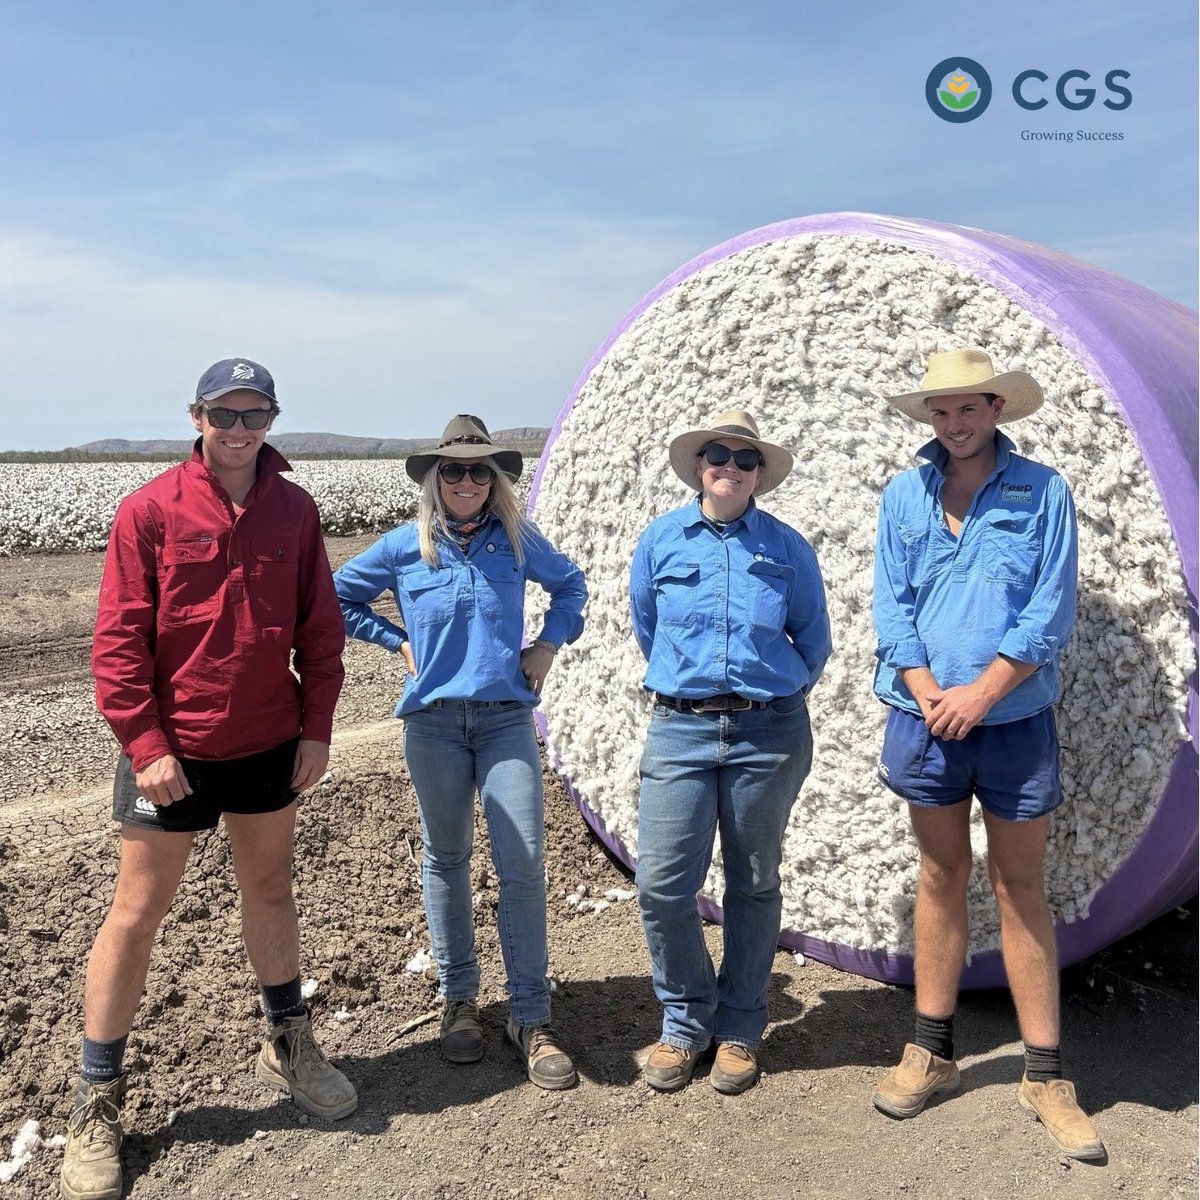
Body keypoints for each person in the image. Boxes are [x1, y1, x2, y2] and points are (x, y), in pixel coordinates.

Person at [63, 359, 355, 1200]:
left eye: (254, 412)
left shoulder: (295, 510)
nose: (238, 428)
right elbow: (119, 642)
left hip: (268, 741)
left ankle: (287, 1040)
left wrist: (317, 728)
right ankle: (98, 1098)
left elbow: (320, 632)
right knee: (136, 912)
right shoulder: (149, 509)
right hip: (173, 753)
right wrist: (146, 744)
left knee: (269, 889)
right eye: (223, 413)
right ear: (196, 416)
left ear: (271, 418)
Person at [870, 348, 1103, 1160]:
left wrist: (983, 693)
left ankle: (1045, 1074)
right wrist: (931, 689)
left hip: (1012, 719)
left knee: (1019, 883)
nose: (954, 424)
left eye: (967, 408)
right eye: (940, 411)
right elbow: (891, 604)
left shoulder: (1042, 492)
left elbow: (1050, 607)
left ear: (996, 409)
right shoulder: (904, 493)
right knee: (940, 875)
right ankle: (932, 1052)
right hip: (923, 715)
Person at [333, 415, 586, 1090]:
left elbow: (573, 588)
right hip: (435, 727)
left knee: (523, 863)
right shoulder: (402, 547)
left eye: (480, 470)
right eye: (454, 470)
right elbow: (335, 596)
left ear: (495, 479)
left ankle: (531, 1017)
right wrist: (395, 641)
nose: (468, 480)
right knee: (445, 859)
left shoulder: (517, 541)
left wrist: (546, 645)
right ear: (435, 479)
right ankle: (459, 1004)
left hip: (505, 721)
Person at [629, 409, 830, 1095]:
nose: (731, 468)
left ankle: (741, 1025)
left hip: (767, 734)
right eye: (719, 454)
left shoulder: (787, 548)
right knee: (661, 885)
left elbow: (813, 636)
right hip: (681, 730)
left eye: (746, 461)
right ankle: (685, 1021)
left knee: (752, 881)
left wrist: (775, 691)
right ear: (699, 464)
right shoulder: (660, 541)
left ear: (760, 475)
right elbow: (646, 626)